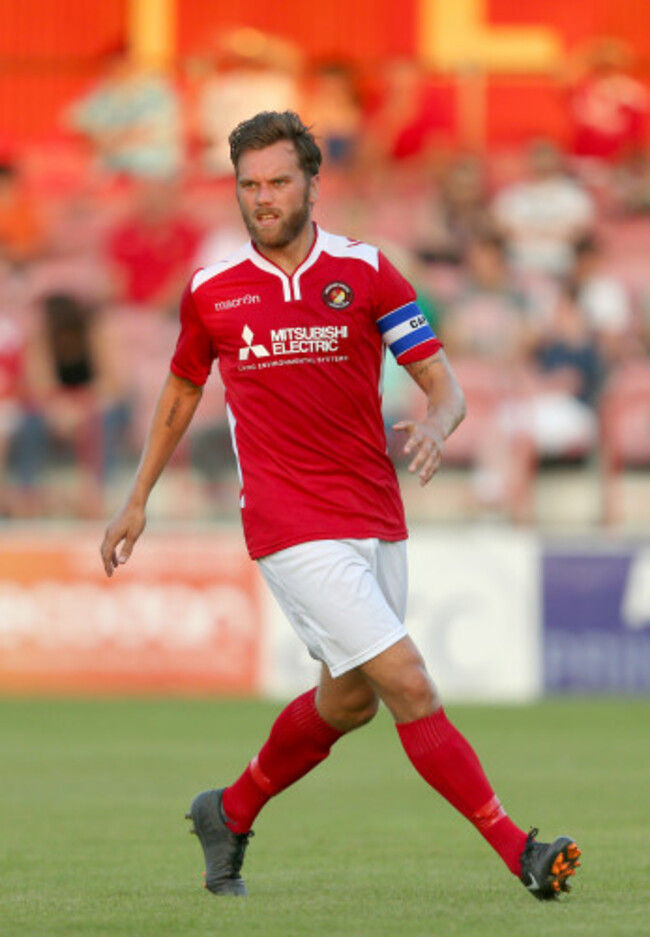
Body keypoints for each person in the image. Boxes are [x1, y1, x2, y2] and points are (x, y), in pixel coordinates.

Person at [100, 111, 581, 902]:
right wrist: (137, 498)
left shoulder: (366, 271)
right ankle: (518, 848)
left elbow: (444, 383)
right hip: (290, 525)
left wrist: (438, 421)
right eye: (249, 185)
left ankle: (230, 807)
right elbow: (183, 389)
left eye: (279, 181)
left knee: (349, 698)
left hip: (374, 513)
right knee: (410, 682)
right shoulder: (213, 291)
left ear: (312, 183)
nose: (263, 198)